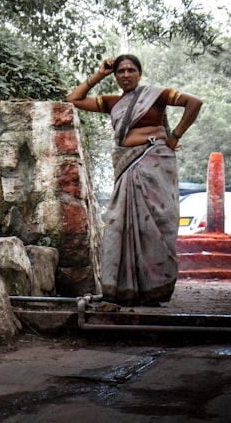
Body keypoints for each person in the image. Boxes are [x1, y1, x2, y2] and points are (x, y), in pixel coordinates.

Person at [67, 54, 202, 305]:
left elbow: (194, 102)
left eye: (131, 70)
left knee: (155, 225)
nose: (126, 75)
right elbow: (73, 99)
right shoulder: (112, 103)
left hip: (155, 163)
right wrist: (100, 74)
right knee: (120, 223)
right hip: (127, 166)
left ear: (139, 73)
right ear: (115, 76)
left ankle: (154, 289)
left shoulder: (156, 95)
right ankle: (125, 290)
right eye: (120, 71)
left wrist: (174, 135)